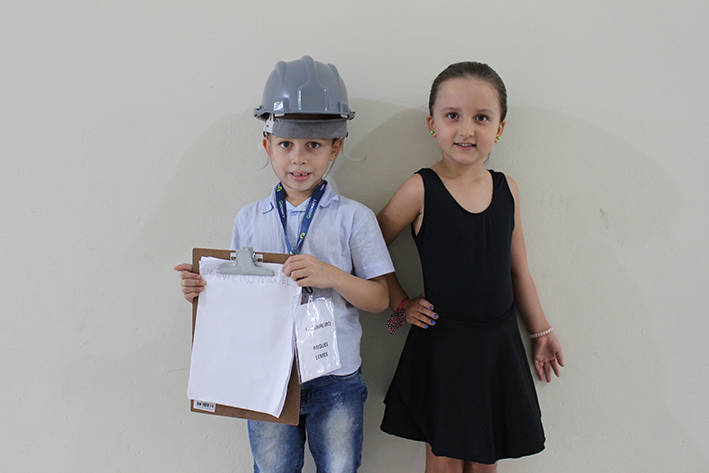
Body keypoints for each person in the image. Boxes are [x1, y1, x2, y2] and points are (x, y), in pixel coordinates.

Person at [174, 55, 394, 473]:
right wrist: (203, 291)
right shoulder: (248, 220)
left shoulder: (354, 218)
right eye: (286, 145)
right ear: (267, 146)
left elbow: (381, 299)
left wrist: (332, 276)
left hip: (336, 379)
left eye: (314, 145)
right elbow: (236, 301)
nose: (299, 159)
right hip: (265, 374)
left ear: (336, 147)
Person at [377, 62, 564, 473]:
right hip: (442, 347)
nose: (466, 130)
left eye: (481, 118)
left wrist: (540, 331)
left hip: (496, 348)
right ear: (432, 124)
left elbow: (518, 271)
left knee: (484, 462)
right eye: (452, 116)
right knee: (443, 462)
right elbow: (367, 250)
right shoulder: (419, 188)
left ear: (500, 128)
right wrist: (400, 303)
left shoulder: (507, 188)